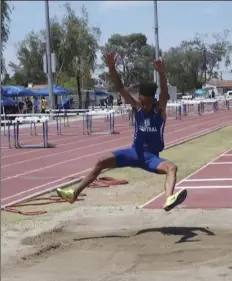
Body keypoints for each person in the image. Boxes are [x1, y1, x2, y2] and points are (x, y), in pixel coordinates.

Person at [57, 52, 187, 211]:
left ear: (153, 101)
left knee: (172, 168)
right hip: (133, 153)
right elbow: (120, 88)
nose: (143, 105)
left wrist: (161, 72)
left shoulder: (159, 110)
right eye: (141, 101)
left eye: (146, 103)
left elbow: (164, 93)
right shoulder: (137, 108)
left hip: (151, 158)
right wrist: (111, 67)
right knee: (101, 161)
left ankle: (168, 199)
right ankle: (74, 193)